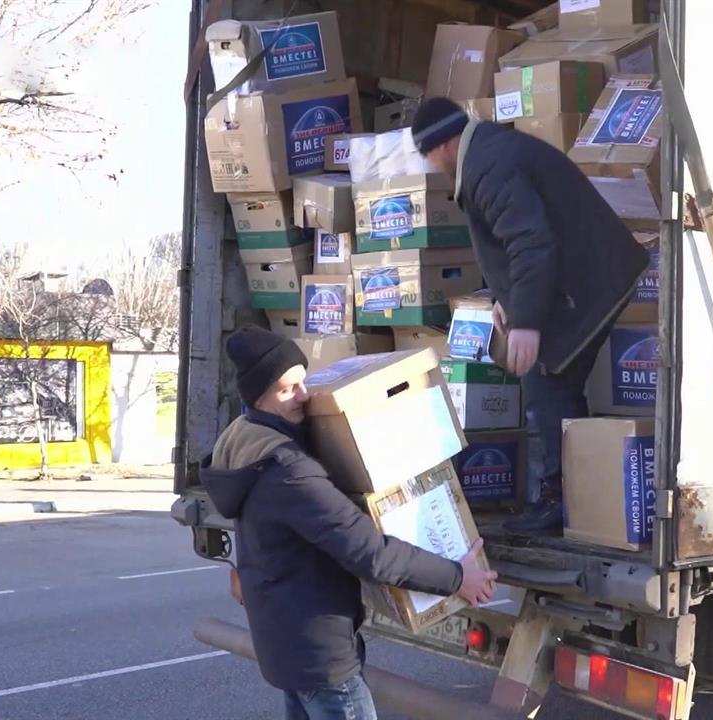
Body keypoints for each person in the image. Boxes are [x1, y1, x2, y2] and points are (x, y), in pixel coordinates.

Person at [201, 326, 498, 720]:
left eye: (303, 381)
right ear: (259, 398)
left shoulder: (246, 450)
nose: (304, 396)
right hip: (322, 660)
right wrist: (458, 576)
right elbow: (371, 554)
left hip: (288, 652)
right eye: (288, 389)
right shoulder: (290, 473)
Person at [411, 97, 650, 534]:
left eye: (425, 154)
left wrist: (526, 323)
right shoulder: (487, 153)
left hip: (590, 281)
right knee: (557, 387)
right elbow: (519, 241)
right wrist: (507, 297)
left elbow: (530, 243)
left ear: (441, 144)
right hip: (589, 274)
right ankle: (577, 499)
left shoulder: (487, 167)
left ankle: (558, 502)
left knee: (545, 378)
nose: (428, 165)